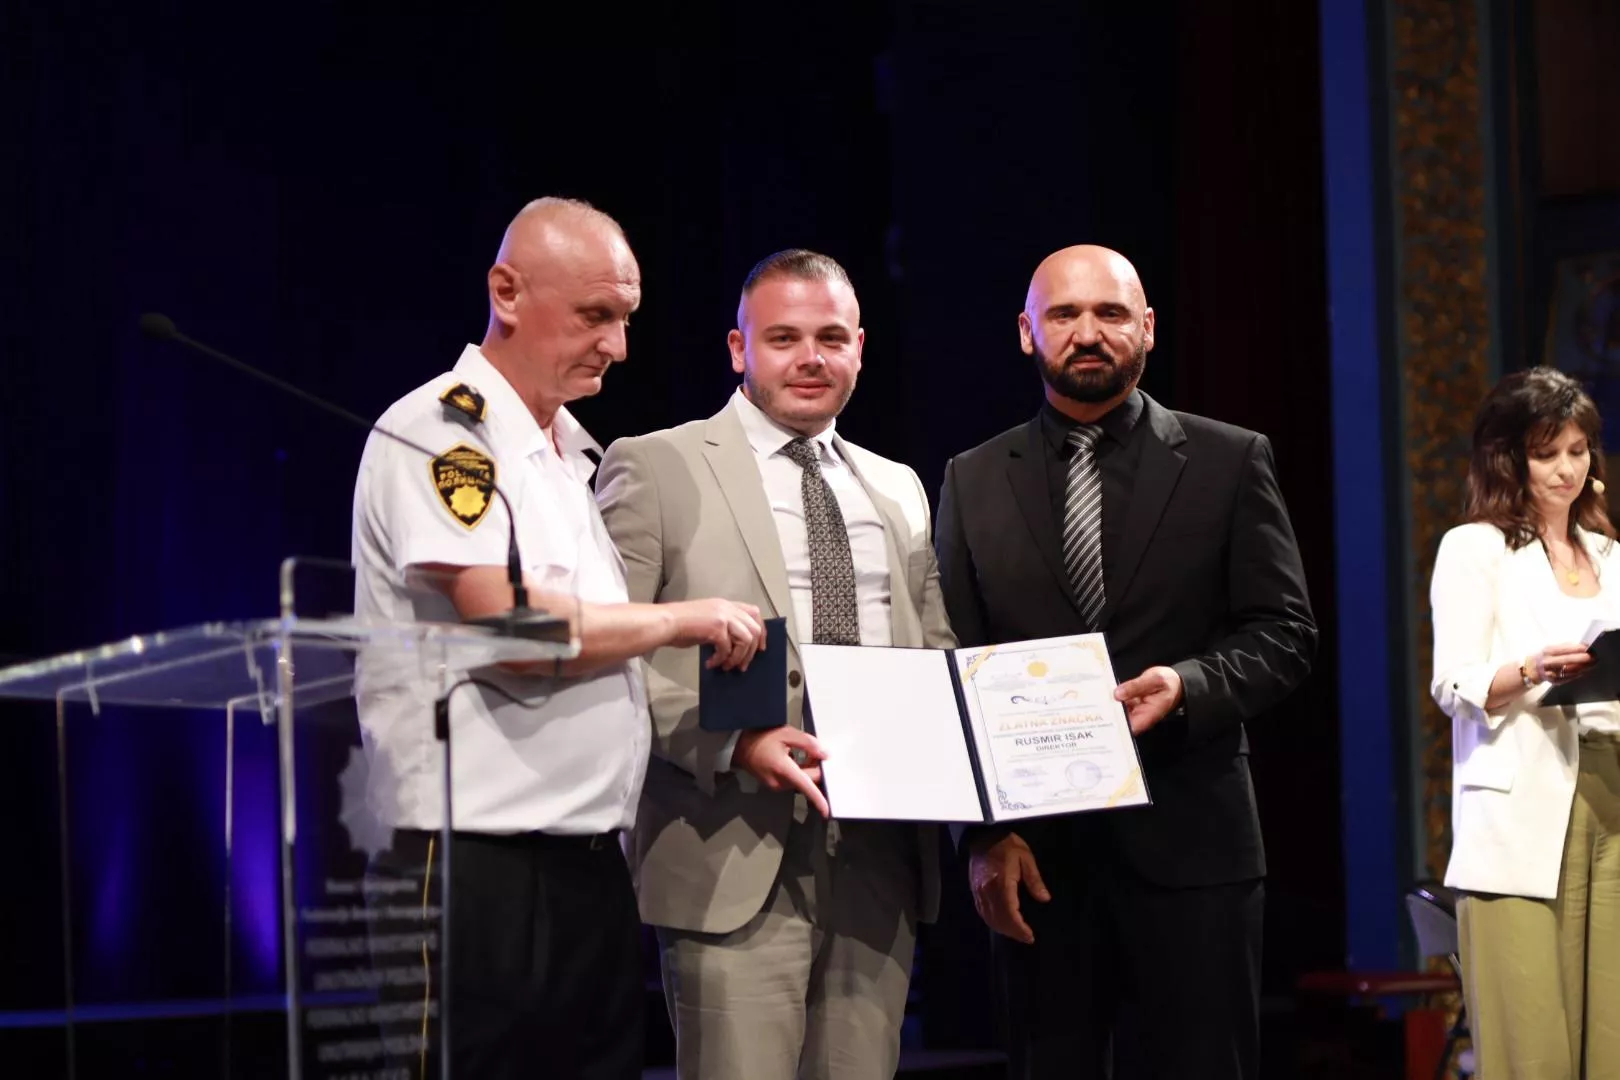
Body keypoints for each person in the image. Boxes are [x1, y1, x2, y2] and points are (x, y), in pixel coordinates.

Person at [349, 197, 767, 1079]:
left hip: (585, 858)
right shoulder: (444, 433)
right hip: (469, 862)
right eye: (594, 315)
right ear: (506, 291)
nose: (618, 345)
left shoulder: (570, 456)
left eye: (626, 318)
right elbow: (508, 625)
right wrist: (680, 619)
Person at [933, 244, 1316, 1079]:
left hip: (1195, 847)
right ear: (1026, 333)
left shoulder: (1230, 460)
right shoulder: (971, 479)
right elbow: (952, 663)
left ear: (1147, 328)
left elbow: (1286, 631)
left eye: (1110, 313)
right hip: (1038, 859)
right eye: (1064, 314)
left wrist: (1190, 685)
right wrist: (984, 837)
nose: (1088, 332)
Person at [595, 249, 956, 1080]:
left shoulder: (898, 485)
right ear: (738, 349)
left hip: (878, 858)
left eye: (831, 338)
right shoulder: (655, 464)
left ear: (860, 347)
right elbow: (614, 651)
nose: (810, 358)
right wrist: (734, 744)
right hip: (727, 845)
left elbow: (934, 651)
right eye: (783, 338)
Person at [1430, 366, 1620, 1079]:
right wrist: (1534, 668)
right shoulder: (1475, 548)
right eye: (1547, 454)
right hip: (1522, 807)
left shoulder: (1610, 555)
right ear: (1509, 457)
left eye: (1578, 450)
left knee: (1612, 1040)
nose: (1567, 470)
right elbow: (1454, 683)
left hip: (1611, 788)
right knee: (1532, 1050)